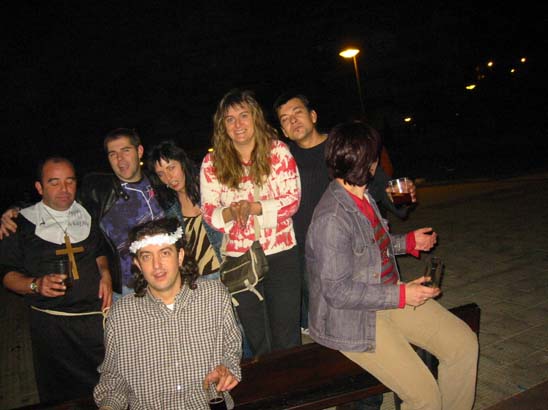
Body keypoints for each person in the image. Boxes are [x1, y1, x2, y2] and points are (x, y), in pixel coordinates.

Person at [306, 121, 478, 410]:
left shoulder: (360, 195)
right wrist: (402, 295)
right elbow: (337, 291)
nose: (378, 161)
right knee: (425, 398)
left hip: (385, 294)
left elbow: (369, 244)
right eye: (375, 155)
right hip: (352, 319)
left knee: (463, 344)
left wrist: (407, 242)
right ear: (367, 162)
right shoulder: (332, 218)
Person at [273, 92, 414, 410]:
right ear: (282, 129)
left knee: (366, 324)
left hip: (357, 256)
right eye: (285, 118)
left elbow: (381, 186)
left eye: (297, 112)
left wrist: (400, 199)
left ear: (313, 115)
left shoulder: (341, 147)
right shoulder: (282, 160)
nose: (293, 120)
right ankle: (351, 396)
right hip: (307, 260)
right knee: (335, 332)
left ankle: (371, 396)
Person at [94, 218, 241, 409]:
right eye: (147, 256)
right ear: (138, 264)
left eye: (164, 253)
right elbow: (114, 380)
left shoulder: (214, 296)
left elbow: (232, 347)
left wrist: (226, 370)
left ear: (180, 257)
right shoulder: (121, 315)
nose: (157, 265)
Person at [0, 128, 165, 298]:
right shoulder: (98, 189)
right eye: (113, 154)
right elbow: (58, 200)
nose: (120, 159)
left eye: (126, 150)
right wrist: (17, 209)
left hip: (166, 278)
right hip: (126, 288)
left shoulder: (159, 182)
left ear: (139, 151)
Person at [0, 157, 112, 404]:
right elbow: (7, 274)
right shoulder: (19, 224)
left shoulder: (86, 213)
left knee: (106, 390)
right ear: (39, 187)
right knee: (63, 397)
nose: (64, 189)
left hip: (94, 323)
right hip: (53, 329)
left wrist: (105, 272)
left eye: (70, 181)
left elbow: (99, 250)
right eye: (54, 182)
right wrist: (35, 284)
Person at [200, 88, 302, 356]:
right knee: (258, 338)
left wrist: (255, 208)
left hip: (281, 252)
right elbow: (208, 210)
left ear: (255, 117)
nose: (238, 124)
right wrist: (231, 213)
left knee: (286, 336)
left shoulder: (278, 151)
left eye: (243, 115)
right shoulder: (212, 163)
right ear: (222, 126)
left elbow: (292, 200)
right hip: (240, 258)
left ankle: (292, 382)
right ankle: (269, 383)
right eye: (230, 119)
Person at [147, 140, 254, 358]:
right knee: (222, 340)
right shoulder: (170, 208)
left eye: (171, 167)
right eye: (161, 174)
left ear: (182, 163)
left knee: (246, 331)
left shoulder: (210, 189)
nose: (169, 177)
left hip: (230, 271)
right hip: (201, 282)